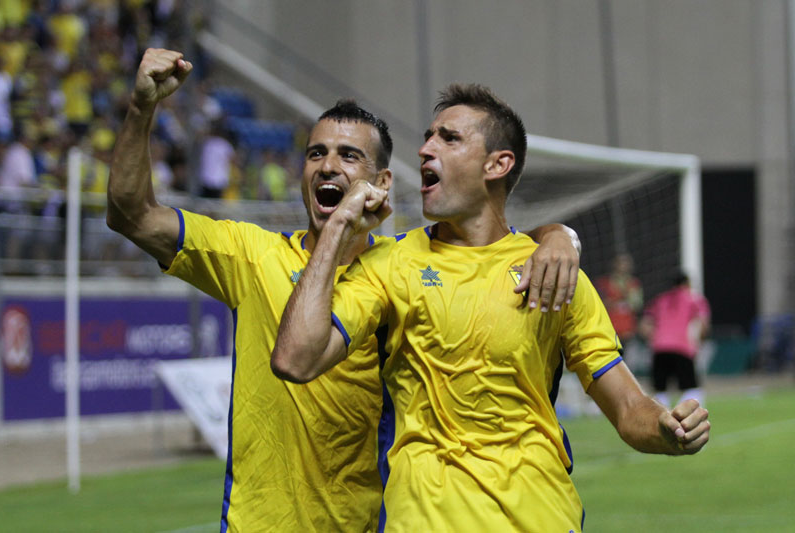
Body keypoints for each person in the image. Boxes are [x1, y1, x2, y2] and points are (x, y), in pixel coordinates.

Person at [107, 49, 582, 532]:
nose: (328, 166)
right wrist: (142, 107)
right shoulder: (250, 255)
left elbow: (489, 245)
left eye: (348, 155)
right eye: (316, 153)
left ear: (381, 182)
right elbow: (132, 215)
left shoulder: (401, 270)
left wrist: (557, 235)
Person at [272, 83, 711, 532]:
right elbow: (295, 358)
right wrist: (339, 226)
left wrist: (666, 428)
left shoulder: (555, 271)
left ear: (497, 164)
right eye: (428, 136)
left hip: (539, 516)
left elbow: (627, 408)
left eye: (449, 138)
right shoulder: (390, 264)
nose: (424, 149)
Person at [640, 271, 711, 408]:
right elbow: (704, 324)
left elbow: (644, 325)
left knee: (660, 391)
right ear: (687, 283)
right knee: (692, 389)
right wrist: (700, 341)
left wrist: (654, 338)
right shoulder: (694, 299)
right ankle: (682, 421)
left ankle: (661, 424)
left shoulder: (660, 299)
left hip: (659, 349)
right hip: (682, 348)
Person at [597, 252, 643, 343]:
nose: (624, 266)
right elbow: (598, 305)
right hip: (609, 330)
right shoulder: (604, 283)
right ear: (615, 264)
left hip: (628, 332)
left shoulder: (634, 284)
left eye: (626, 263)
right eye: (621, 263)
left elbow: (637, 306)